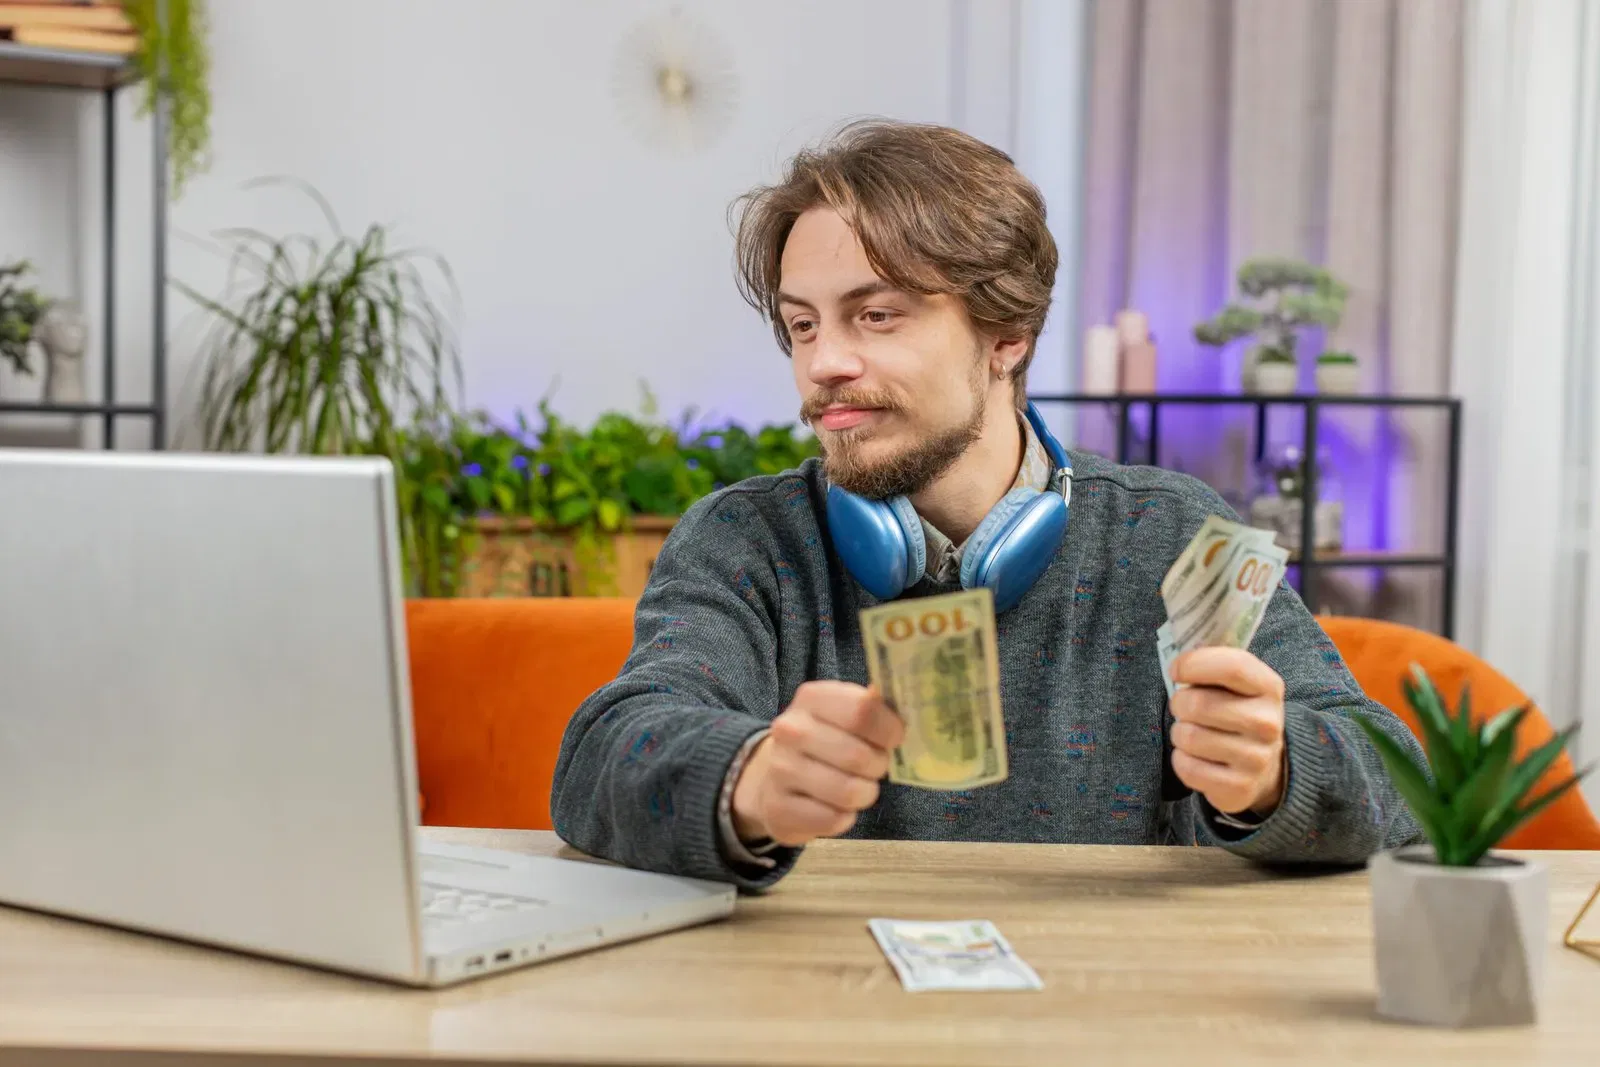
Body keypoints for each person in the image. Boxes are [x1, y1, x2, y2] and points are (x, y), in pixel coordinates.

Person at [550, 119, 1423, 890]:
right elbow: (600, 757)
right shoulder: (744, 539)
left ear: (1008, 336)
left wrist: (1274, 772)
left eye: (877, 315)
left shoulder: (1169, 531)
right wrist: (745, 779)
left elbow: (1398, 782)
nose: (824, 365)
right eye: (805, 324)